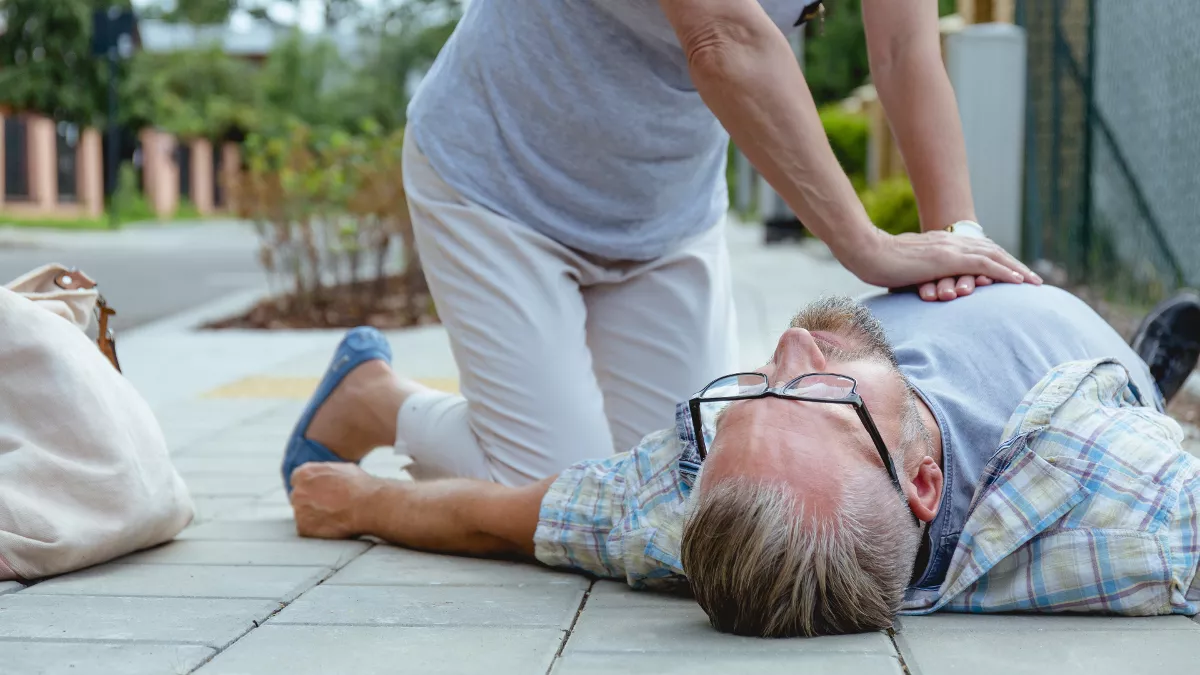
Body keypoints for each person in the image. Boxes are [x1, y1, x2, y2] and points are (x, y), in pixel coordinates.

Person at [377, 0, 1043, 488]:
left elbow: (904, 52)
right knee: (555, 487)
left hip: (663, 209)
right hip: (500, 182)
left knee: (687, 482)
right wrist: (865, 245)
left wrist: (959, 249)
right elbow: (722, 35)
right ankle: (371, 398)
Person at [283, 284, 1200, 637]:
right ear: (922, 483)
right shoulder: (1118, 494)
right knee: (1134, 387)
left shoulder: (667, 508)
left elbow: (526, 516)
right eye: (813, 397)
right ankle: (1147, 369)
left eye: (753, 392)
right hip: (1072, 353)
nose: (794, 348)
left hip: (943, 281)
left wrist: (367, 503)